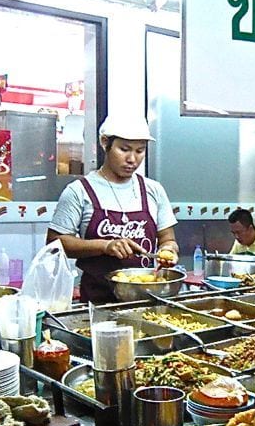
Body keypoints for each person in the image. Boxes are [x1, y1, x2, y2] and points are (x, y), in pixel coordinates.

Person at [47, 115, 179, 303]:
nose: (132, 159)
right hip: (97, 302)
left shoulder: (153, 190)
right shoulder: (80, 191)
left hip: (147, 301)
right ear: (105, 143)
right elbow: (54, 243)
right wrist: (105, 246)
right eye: (124, 149)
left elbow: (168, 239)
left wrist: (169, 251)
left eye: (140, 151)